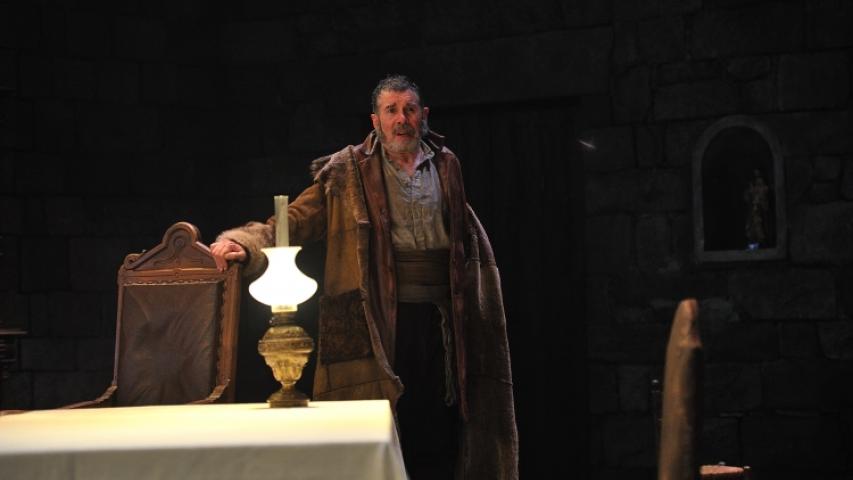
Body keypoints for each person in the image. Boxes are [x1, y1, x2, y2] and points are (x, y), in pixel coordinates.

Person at [211, 75, 518, 479]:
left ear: (423, 115)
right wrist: (246, 243)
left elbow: (462, 235)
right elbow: (296, 219)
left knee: (442, 422)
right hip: (380, 318)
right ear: (376, 120)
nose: (401, 119)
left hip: (443, 320)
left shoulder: (446, 165)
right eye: (392, 110)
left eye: (409, 109)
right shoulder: (348, 170)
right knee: (388, 420)